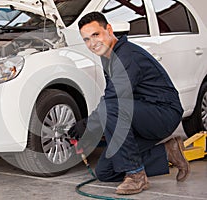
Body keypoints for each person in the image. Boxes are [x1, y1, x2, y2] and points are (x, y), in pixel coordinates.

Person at [68, 11, 190, 195]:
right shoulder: (108, 55)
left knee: (110, 107)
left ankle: (136, 176)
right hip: (140, 115)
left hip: (162, 113)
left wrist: (87, 127)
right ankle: (168, 152)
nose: (92, 43)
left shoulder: (126, 56)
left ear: (109, 29)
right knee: (105, 171)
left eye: (96, 34)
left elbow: (113, 100)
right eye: (86, 39)